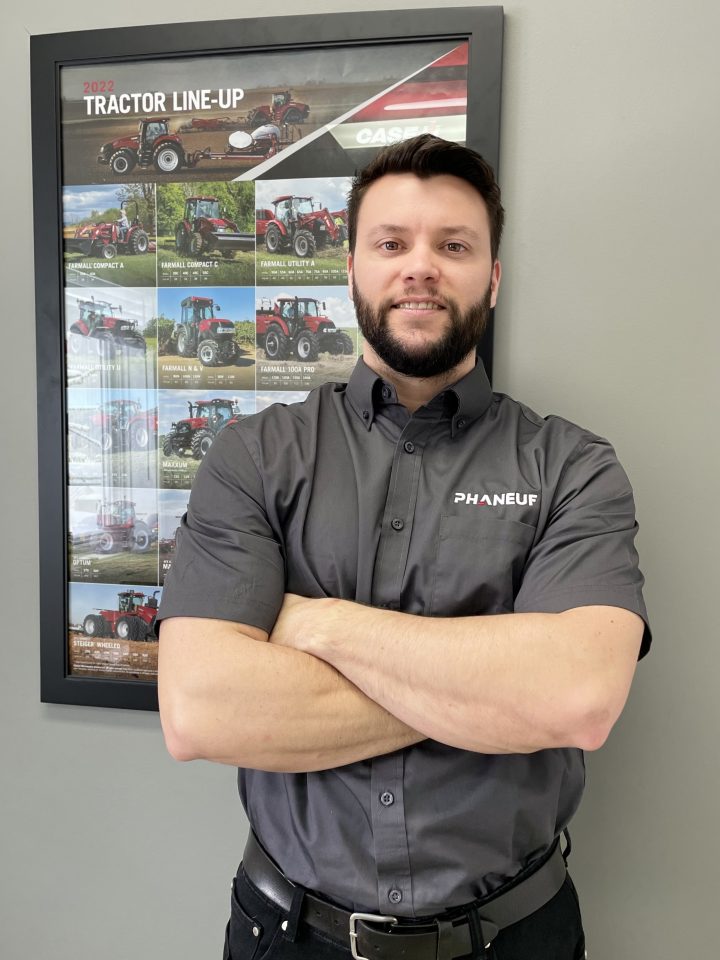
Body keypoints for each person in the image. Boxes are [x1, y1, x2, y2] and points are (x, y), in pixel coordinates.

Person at [157, 135, 650, 960]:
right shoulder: (253, 456)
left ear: (493, 277)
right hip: (289, 935)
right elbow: (201, 709)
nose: (420, 266)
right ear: (351, 268)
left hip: (514, 937)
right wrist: (488, 695)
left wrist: (317, 626)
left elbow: (574, 699)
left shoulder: (573, 466)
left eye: (454, 246)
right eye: (392, 244)